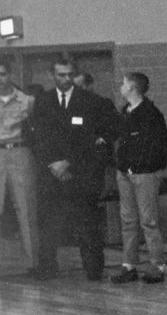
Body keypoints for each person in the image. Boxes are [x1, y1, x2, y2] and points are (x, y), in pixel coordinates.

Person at [30, 58, 118, 281]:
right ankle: (47, 267)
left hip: (81, 172)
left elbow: (91, 138)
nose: (66, 79)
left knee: (87, 223)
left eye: (69, 74)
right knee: (49, 223)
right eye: (61, 75)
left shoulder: (90, 101)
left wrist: (68, 162)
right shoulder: (43, 101)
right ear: (52, 75)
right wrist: (53, 164)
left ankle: (93, 269)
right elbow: (39, 137)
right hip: (51, 172)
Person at [111, 71, 167, 284]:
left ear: (132, 88)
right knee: (128, 220)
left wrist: (143, 167)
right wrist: (123, 166)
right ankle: (129, 265)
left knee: (149, 221)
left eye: (124, 84)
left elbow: (163, 146)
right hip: (125, 174)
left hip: (144, 175)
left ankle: (157, 265)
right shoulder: (125, 111)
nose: (121, 87)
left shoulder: (151, 114)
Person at [0, 62, 38, 271]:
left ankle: (32, 263)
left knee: (26, 208)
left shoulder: (27, 101)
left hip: (20, 151)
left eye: (3, 74)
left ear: (10, 75)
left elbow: (35, 129)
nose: (0, 79)